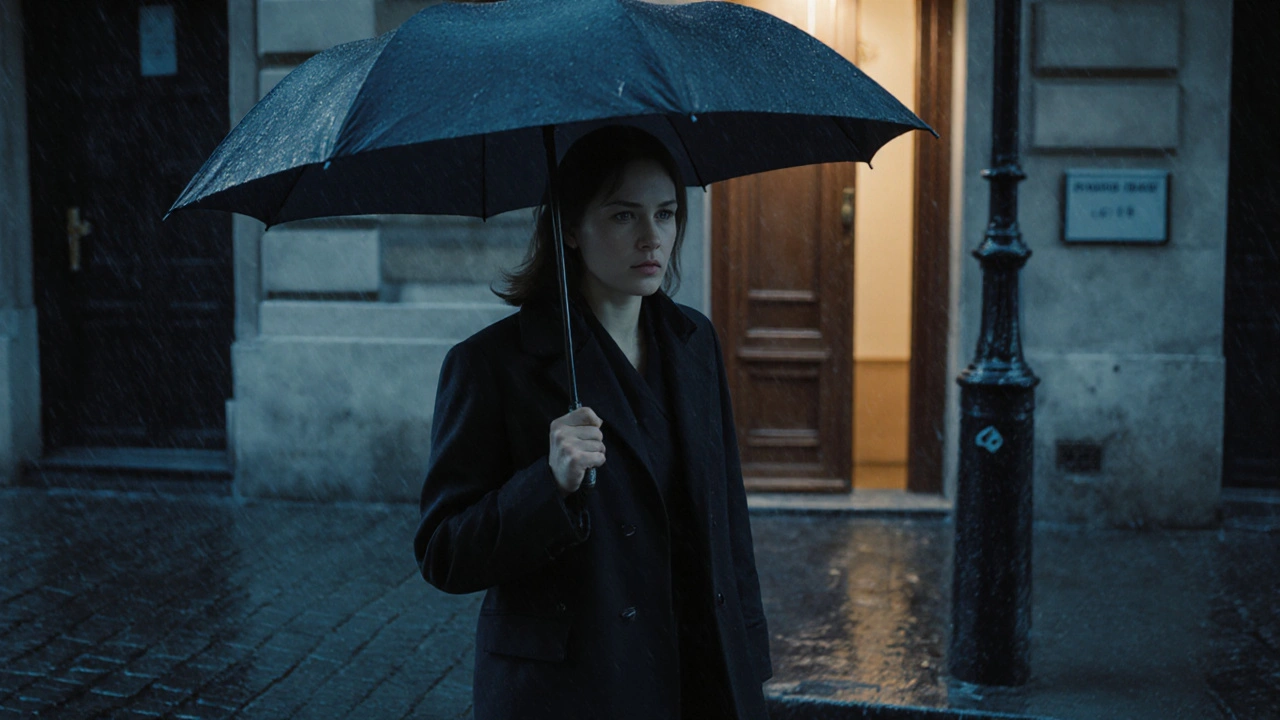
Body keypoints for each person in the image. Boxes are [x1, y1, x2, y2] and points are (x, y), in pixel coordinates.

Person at [413, 125, 771, 720]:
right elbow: (444, 552)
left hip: (698, 674)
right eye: (624, 216)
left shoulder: (694, 343)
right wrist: (546, 485)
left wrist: (748, 665)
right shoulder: (492, 365)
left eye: (665, 214)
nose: (652, 238)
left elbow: (728, 520)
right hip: (575, 688)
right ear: (571, 229)